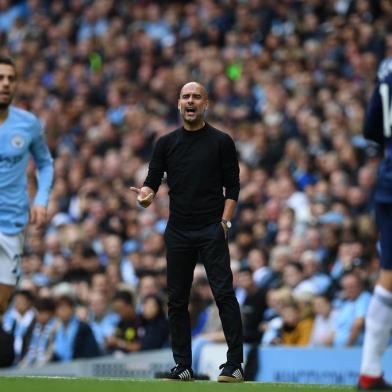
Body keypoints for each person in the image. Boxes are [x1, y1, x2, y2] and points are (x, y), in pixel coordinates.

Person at [130, 82, 244, 382]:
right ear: (179, 104)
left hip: (211, 228)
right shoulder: (166, 143)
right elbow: (152, 181)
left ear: (205, 104)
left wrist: (225, 223)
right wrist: (145, 196)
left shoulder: (221, 141)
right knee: (177, 300)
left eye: (196, 97)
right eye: (185, 97)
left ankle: (235, 364)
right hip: (178, 230)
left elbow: (232, 188)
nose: (190, 101)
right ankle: (183, 365)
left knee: (223, 293)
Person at [0, 56, 54, 318]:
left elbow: (45, 163)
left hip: (11, 222)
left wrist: (41, 200)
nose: (5, 84)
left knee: (1, 304)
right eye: (0, 78)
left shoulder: (28, 123)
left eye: (10, 78)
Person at [358, 57, 392, 390]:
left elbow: (370, 129)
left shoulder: (387, 69)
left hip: (388, 182)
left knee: (389, 274)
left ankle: (369, 370)